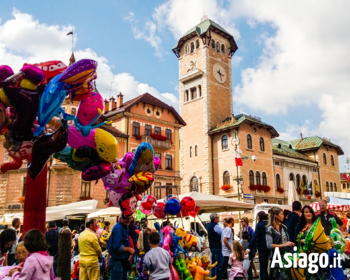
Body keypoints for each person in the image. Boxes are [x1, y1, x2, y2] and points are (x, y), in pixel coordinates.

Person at [266, 207, 295, 280]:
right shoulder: (270, 229)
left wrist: (289, 243)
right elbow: (269, 245)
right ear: (276, 216)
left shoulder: (284, 227)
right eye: (281, 214)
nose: (283, 216)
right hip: (276, 258)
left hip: (286, 257)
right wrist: (284, 245)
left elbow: (286, 240)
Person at [108, 215, 135, 280]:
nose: (128, 220)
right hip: (117, 261)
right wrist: (129, 249)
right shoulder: (118, 229)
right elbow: (117, 247)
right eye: (126, 219)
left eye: (129, 218)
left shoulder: (124, 227)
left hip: (122, 261)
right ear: (121, 219)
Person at [246, 211, 269, 280]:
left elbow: (255, 237)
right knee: (269, 266)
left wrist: (249, 248)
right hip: (271, 247)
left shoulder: (259, 225)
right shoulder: (269, 224)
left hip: (262, 248)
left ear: (259, 217)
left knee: (262, 267)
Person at [207, 213, 222, 278]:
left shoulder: (209, 226)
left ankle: (212, 276)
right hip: (217, 246)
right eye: (218, 217)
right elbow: (222, 233)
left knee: (213, 263)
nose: (218, 219)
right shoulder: (216, 226)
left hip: (212, 246)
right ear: (215, 219)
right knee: (217, 263)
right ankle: (217, 277)